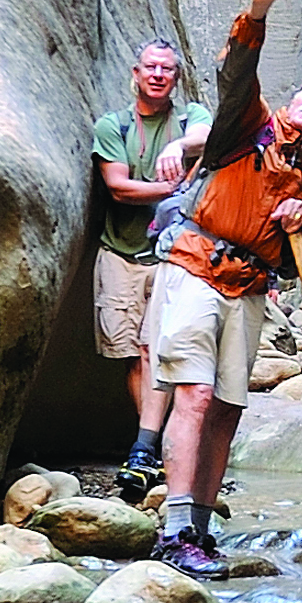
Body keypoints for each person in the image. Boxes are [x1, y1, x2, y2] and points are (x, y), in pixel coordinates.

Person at [142, 0, 302, 579]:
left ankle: (201, 527)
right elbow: (237, 72)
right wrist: (258, 9)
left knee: (228, 406)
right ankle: (173, 531)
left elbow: (300, 266)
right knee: (196, 396)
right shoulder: (245, 126)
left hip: (250, 289)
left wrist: (298, 228)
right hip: (196, 265)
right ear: (292, 100)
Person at [91, 39, 211, 501]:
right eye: (151, 67)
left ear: (176, 78)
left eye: (167, 69)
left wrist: (180, 145)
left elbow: (209, 134)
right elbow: (117, 187)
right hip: (120, 251)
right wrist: (173, 190)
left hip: (170, 255)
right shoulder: (114, 126)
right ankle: (154, 445)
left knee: (151, 349)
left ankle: (148, 449)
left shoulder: (188, 118)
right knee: (129, 353)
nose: (159, 74)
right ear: (136, 73)